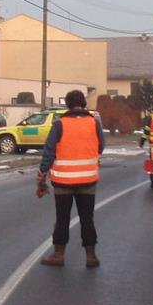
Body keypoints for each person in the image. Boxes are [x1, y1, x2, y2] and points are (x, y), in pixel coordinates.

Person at [37, 89, 105, 268]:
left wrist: (42, 174)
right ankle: (91, 257)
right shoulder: (94, 122)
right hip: (88, 180)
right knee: (87, 218)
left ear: (67, 104)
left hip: (63, 182)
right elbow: (101, 146)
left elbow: (49, 151)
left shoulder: (60, 124)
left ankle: (58, 255)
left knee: (62, 218)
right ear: (83, 103)